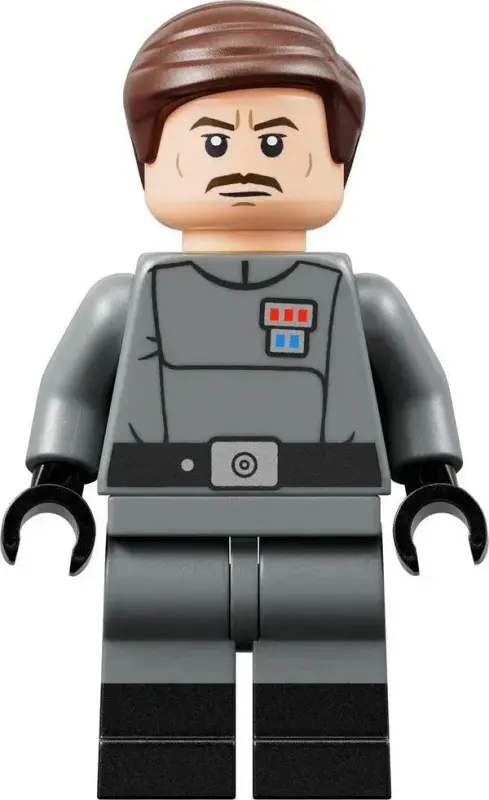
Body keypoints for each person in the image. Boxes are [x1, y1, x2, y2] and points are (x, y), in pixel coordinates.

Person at [2, 3, 486, 798]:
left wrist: (432, 484)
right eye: (211, 142)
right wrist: (55, 484)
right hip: (161, 536)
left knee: (327, 715)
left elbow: (415, 390)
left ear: (335, 167)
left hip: (325, 536)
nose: (242, 165)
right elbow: (73, 389)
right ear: (150, 167)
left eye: (275, 142)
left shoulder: (363, 301)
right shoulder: (123, 301)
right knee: (159, 716)